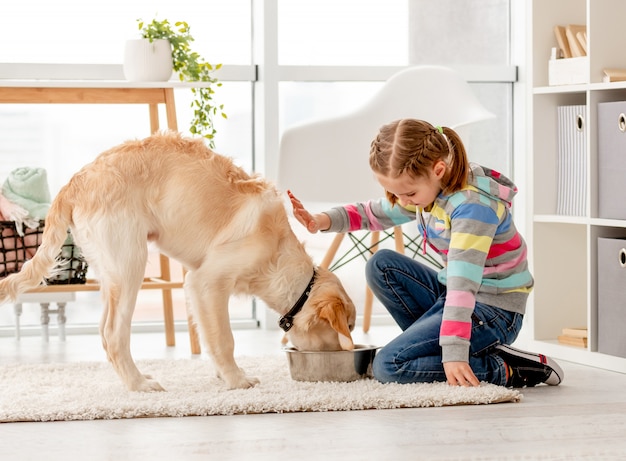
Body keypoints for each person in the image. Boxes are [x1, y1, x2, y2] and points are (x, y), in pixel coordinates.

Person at [288, 118, 564, 388]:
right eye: (395, 193)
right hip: (458, 299)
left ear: (438, 169)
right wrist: (321, 220)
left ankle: (506, 368)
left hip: (495, 311)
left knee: (388, 365)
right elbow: (378, 212)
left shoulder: (473, 208)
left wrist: (454, 351)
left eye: (408, 193)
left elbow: (462, 285)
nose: (403, 202)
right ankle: (450, 349)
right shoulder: (432, 189)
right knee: (381, 264)